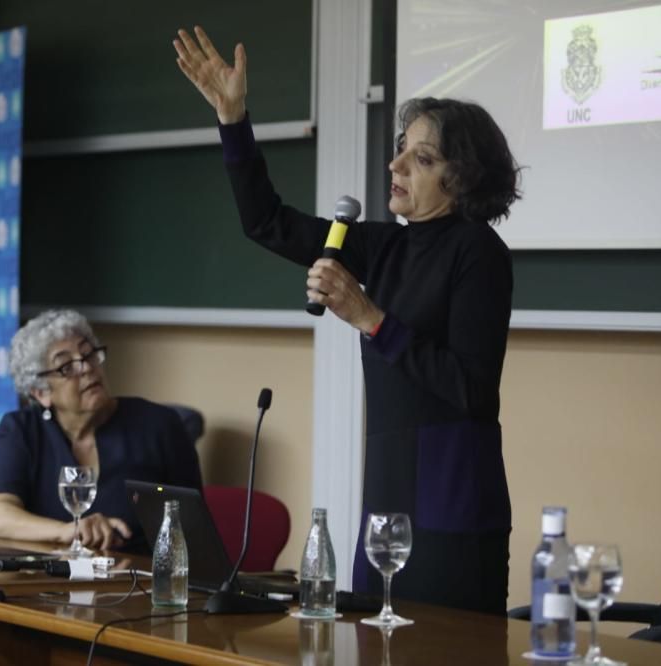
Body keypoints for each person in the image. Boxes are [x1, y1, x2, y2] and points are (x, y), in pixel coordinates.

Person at [174, 27, 519, 614]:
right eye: (401, 148)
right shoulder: (383, 245)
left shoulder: (479, 253)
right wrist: (233, 120)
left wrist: (369, 316)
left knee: (443, 645)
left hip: (454, 484)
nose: (396, 163)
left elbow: (470, 389)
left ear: (460, 179)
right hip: (389, 479)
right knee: (374, 634)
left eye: (421, 158)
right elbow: (267, 222)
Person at [0, 309, 203, 552]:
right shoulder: (22, 430)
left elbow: (195, 533)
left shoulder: (160, 426)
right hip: (47, 581)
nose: (86, 368)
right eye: (66, 366)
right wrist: (67, 531)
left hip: (139, 580)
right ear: (41, 392)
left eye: (89, 354)